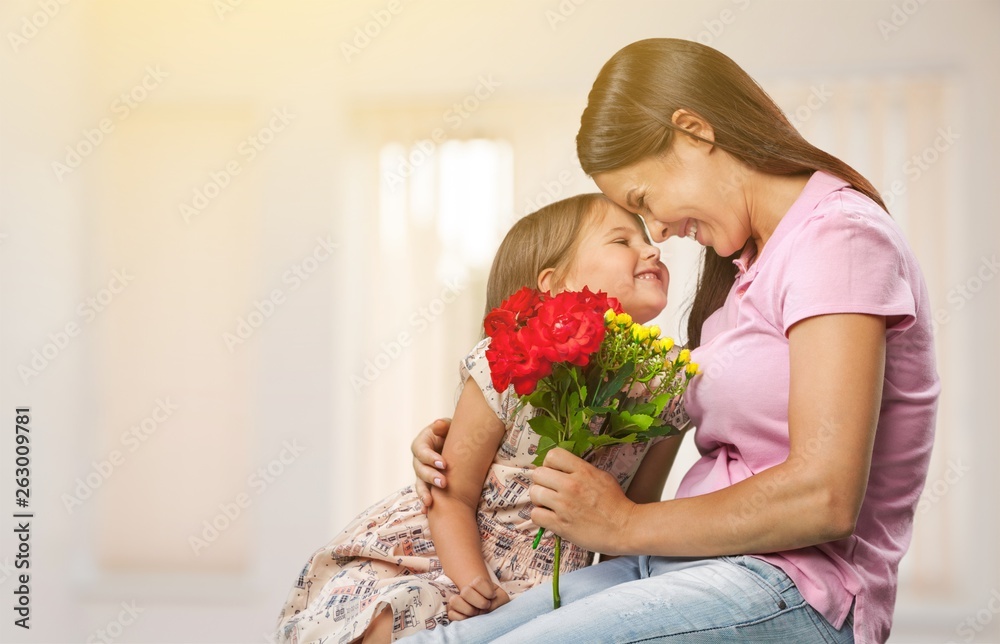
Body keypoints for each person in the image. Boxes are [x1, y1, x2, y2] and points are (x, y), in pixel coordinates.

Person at [408, 38, 939, 644]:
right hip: (680, 564)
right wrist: (462, 438)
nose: (657, 231)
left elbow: (824, 496)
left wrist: (626, 524)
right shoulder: (747, 274)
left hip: (793, 584)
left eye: (642, 201)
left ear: (693, 132)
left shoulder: (839, 239)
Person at [274, 193, 691, 643]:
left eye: (647, 239)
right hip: (438, 556)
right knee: (388, 617)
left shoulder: (667, 387)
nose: (652, 249)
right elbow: (451, 497)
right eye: (622, 240)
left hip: (541, 588)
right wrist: (474, 586)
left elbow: (634, 519)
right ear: (554, 285)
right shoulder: (507, 365)